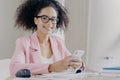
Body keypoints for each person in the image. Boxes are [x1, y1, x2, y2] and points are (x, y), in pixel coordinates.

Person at [10, 0, 84, 76]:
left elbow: (70, 61)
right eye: (44, 18)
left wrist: (78, 64)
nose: (49, 24)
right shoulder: (23, 43)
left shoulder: (58, 42)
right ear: (36, 20)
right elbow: (14, 68)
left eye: (53, 19)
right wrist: (51, 67)